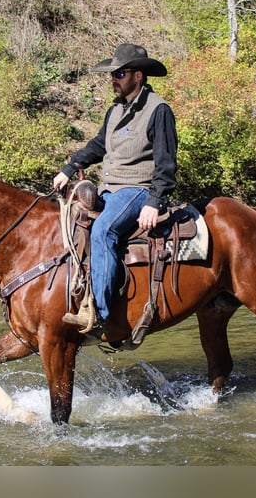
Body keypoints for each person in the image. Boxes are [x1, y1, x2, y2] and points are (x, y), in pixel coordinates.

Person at [53, 43, 178, 337]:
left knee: (102, 231)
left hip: (138, 189)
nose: (114, 79)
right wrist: (70, 168)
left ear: (139, 75)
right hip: (110, 188)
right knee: (73, 225)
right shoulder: (116, 110)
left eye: (120, 73)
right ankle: (74, 293)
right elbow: (99, 146)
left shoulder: (158, 110)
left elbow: (166, 163)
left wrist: (155, 202)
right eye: (113, 74)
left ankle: (99, 314)